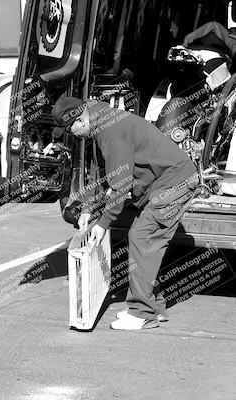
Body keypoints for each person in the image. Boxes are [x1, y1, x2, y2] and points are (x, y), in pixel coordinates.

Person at [52, 96, 199, 331]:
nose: (73, 135)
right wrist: (89, 210)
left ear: (80, 120)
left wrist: (103, 224)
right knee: (146, 242)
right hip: (166, 183)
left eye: (70, 130)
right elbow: (104, 173)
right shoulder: (102, 123)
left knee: (142, 238)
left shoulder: (111, 130)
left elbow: (120, 186)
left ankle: (143, 313)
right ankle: (153, 307)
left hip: (174, 183)